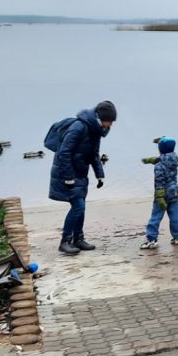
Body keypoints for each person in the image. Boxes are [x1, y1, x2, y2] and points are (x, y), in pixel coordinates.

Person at [49, 101, 116, 255]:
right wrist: (68, 176)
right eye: (110, 121)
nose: (111, 125)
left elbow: (94, 154)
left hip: (80, 173)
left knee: (81, 207)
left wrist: (100, 175)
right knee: (78, 206)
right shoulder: (78, 127)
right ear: (101, 118)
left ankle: (78, 238)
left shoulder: (95, 130)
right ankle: (65, 241)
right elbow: (64, 152)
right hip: (66, 173)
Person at [139, 136, 178, 249]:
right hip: (174, 192)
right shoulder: (175, 159)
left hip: (162, 195)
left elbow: (159, 181)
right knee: (175, 215)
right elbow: (164, 156)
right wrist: (150, 159)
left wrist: (160, 198)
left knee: (156, 217)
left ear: (160, 149)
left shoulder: (159, 166)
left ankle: (151, 239)